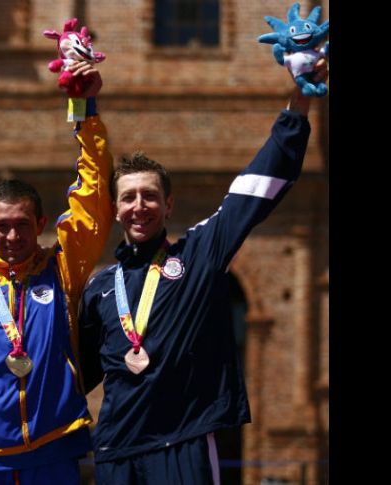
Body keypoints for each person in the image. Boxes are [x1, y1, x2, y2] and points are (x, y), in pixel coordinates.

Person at [77, 62, 329, 484]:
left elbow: (256, 189)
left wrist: (299, 102)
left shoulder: (198, 255)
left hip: (182, 443)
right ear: (115, 209)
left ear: (169, 206)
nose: (139, 206)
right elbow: (74, 376)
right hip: (115, 451)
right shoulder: (100, 288)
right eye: (128, 198)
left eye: (150, 196)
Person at [0, 62, 114, 485]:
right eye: (2, 226)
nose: (13, 236)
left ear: (41, 224)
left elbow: (94, 202)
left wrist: (85, 109)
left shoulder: (61, 269)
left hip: (53, 447)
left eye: (22, 225)